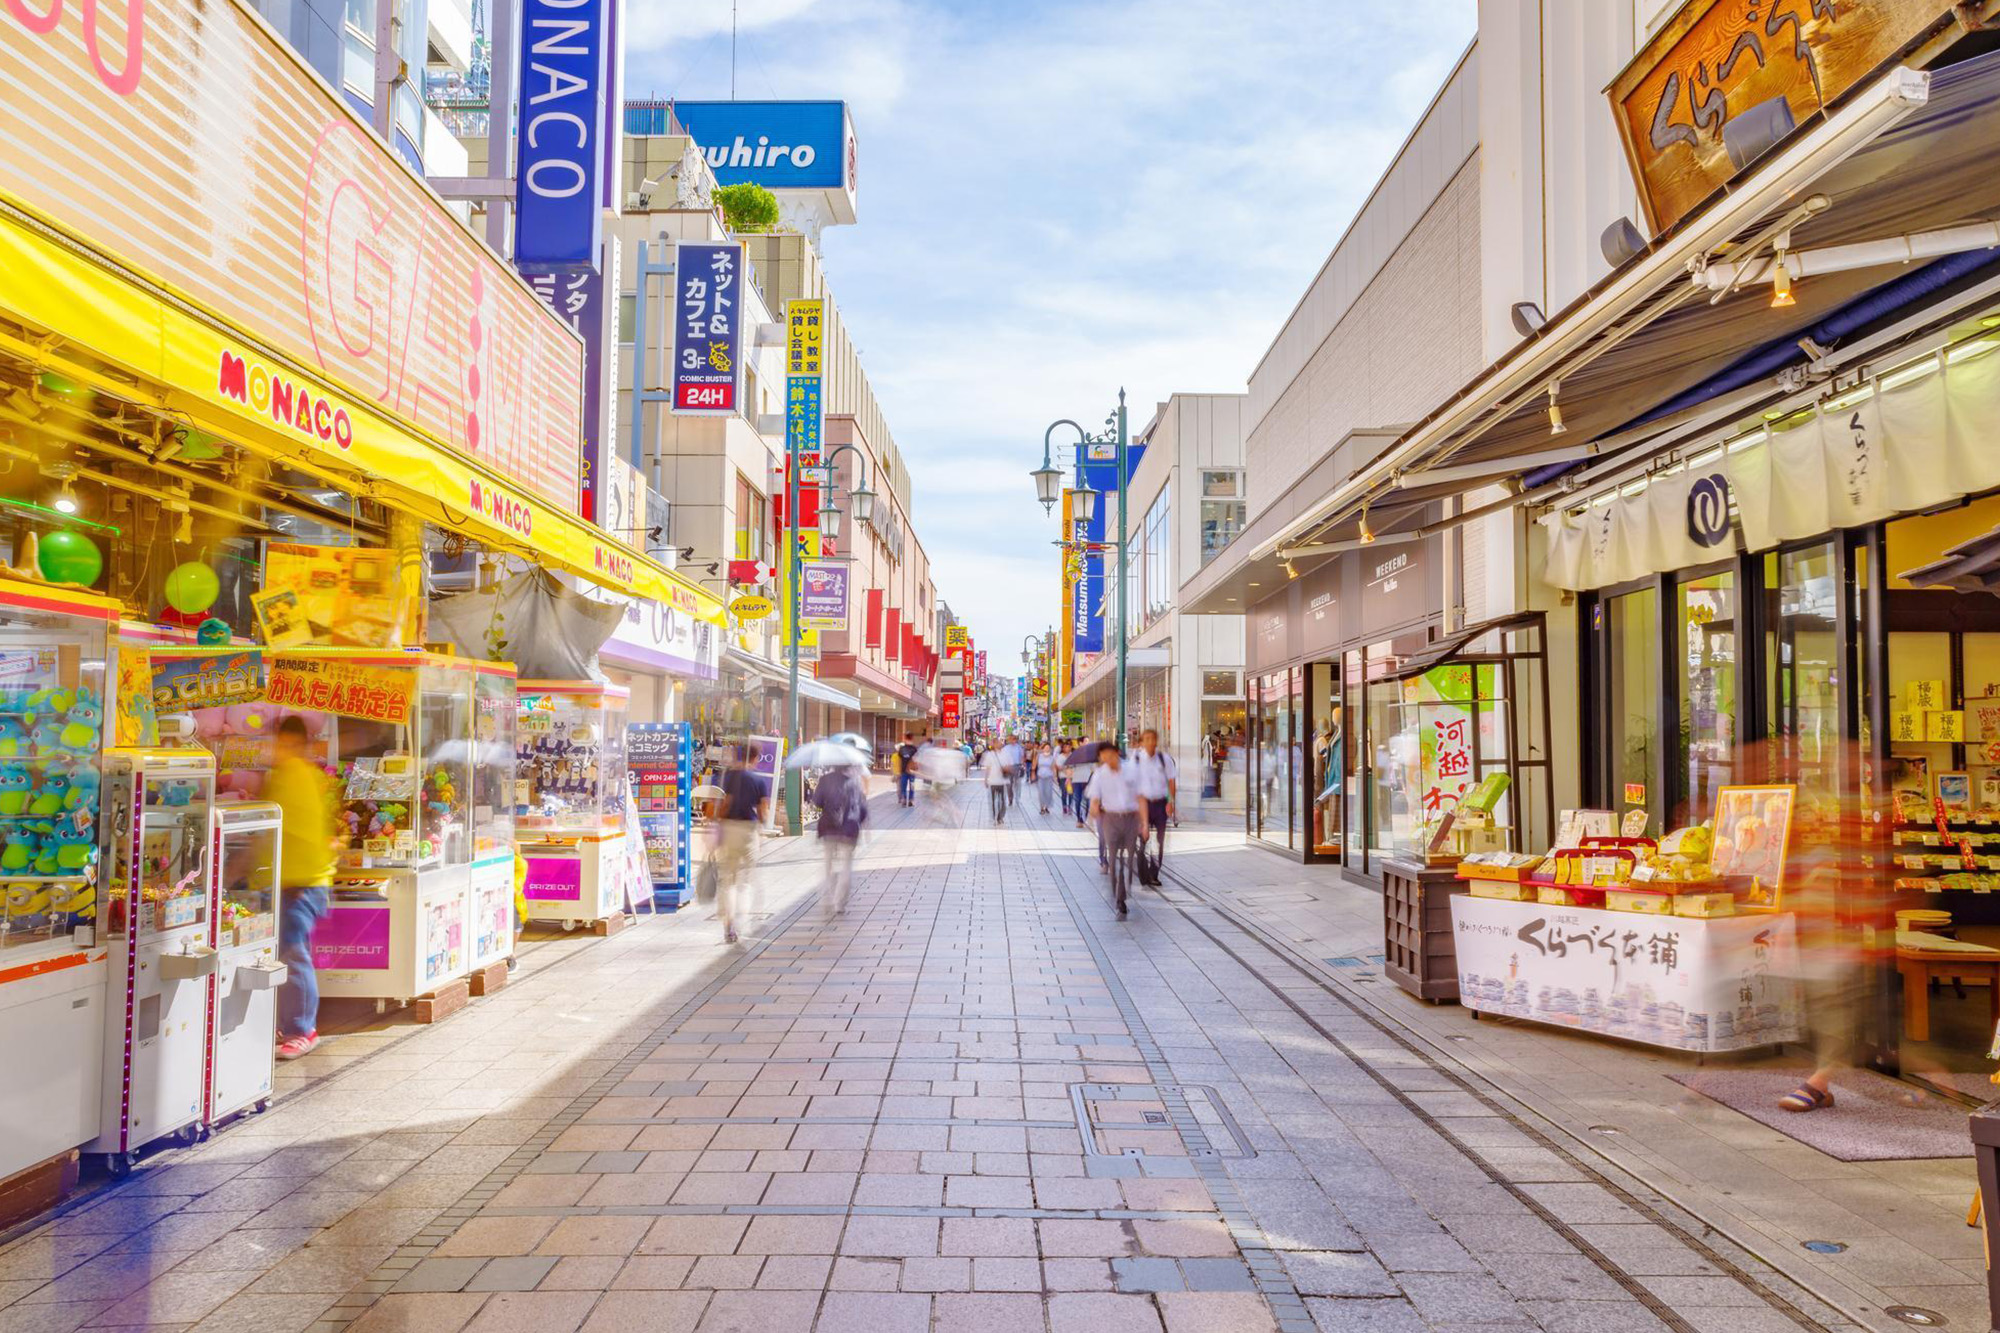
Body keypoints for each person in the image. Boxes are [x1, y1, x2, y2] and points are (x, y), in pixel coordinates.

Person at [267, 715, 335, 1061]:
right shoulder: (302, 775)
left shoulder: (293, 775)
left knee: (293, 954)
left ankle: (301, 1029)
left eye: (282, 743)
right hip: (295, 879)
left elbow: (285, 829)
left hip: (300, 881)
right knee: (288, 953)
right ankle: (290, 1025)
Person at [1085, 744, 1146, 917]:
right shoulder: (1099, 774)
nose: (1107, 759)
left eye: (1109, 755)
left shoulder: (1131, 770)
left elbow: (1140, 797)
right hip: (1110, 818)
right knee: (1113, 859)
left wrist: (1144, 822)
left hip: (1131, 818)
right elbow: (1094, 800)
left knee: (1129, 856)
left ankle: (1124, 889)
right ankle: (1119, 897)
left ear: (1117, 753)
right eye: (1103, 757)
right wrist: (1094, 810)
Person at [715, 755, 768, 944]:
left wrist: (719, 822)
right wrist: (760, 830)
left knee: (727, 880)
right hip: (748, 831)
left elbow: (725, 804)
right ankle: (738, 923)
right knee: (744, 883)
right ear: (755, 758)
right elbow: (763, 812)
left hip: (730, 829)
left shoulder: (728, 778)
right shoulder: (759, 780)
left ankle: (728, 923)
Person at [810, 762, 868, 916]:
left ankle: (826, 899)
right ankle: (840, 904)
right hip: (849, 829)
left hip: (829, 827)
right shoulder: (855, 782)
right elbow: (862, 809)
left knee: (828, 863)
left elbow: (817, 802)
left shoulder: (825, 779)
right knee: (846, 866)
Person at [1129, 729, 1178, 885]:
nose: (1150, 742)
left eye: (1153, 738)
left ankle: (1154, 873)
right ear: (1142, 742)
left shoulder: (1165, 759)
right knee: (1142, 839)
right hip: (1141, 804)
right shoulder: (1136, 759)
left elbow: (1171, 782)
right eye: (1147, 739)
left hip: (1160, 804)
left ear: (1156, 741)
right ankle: (1143, 873)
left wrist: (1170, 802)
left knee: (1159, 841)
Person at [980, 742, 1009, 823]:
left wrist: (1006, 769)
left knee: (1002, 800)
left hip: (1002, 781)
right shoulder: (989, 755)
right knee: (993, 800)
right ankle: (994, 817)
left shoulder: (1005, 754)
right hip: (992, 781)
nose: (998, 744)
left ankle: (1000, 817)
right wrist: (985, 779)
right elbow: (987, 768)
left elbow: (1009, 767)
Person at [894, 734, 918, 807]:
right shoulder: (915, 748)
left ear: (905, 738)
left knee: (903, 786)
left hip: (903, 770)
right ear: (912, 738)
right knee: (912, 786)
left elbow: (900, 760)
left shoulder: (902, 749)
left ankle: (904, 799)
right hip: (912, 771)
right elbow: (917, 760)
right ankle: (911, 800)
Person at [1001, 736, 1024, 808]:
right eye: (1011, 739)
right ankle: (1010, 799)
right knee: (1009, 785)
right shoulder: (1005, 748)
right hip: (1008, 767)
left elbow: (1022, 757)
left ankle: (1017, 798)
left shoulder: (1019, 748)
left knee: (1018, 783)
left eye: (1014, 739)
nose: (1012, 741)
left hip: (1017, 766)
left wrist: (1022, 765)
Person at [1036, 744, 1058, 815]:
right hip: (1041, 776)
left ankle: (1047, 807)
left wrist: (1055, 777)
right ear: (1043, 748)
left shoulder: (1052, 758)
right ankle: (1042, 807)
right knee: (1041, 792)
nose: (1047, 749)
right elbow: (1035, 765)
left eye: (1048, 748)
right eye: (1045, 747)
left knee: (1048, 792)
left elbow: (1053, 768)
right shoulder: (1039, 756)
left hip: (1049, 776)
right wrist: (1033, 773)